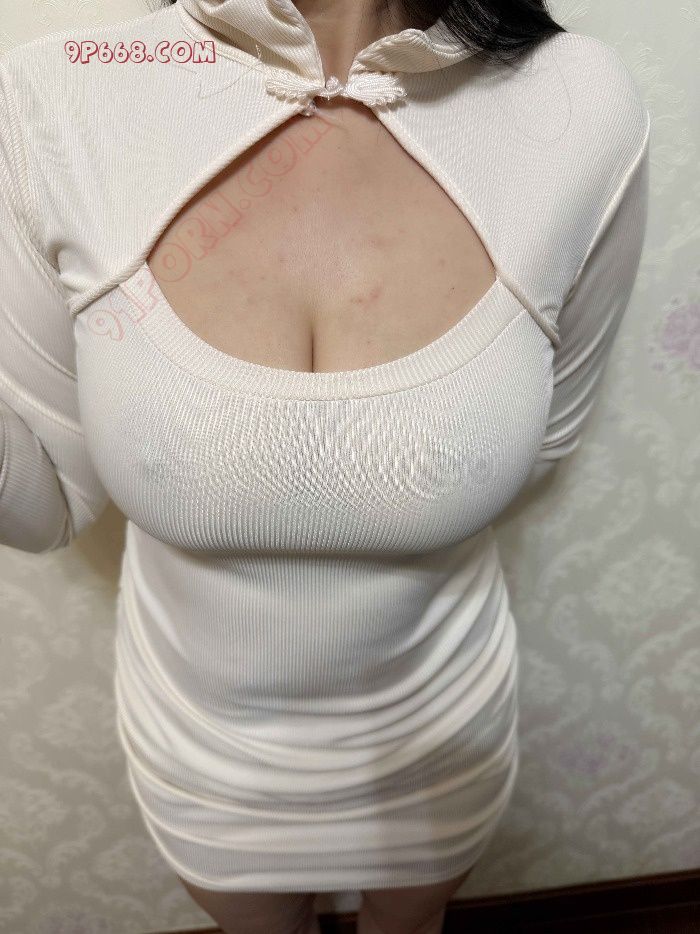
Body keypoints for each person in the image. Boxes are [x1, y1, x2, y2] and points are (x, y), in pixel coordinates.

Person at [0, 0, 650, 931]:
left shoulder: (578, 102)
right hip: (205, 750)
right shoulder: (59, 95)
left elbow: (547, 441)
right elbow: (49, 506)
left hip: (439, 723)